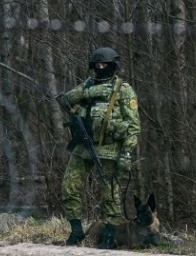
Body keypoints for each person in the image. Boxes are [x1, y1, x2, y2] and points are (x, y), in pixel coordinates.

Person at [58, 46, 141, 249]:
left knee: (110, 192)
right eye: (96, 64)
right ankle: (76, 231)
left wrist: (126, 153)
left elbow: (133, 126)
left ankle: (109, 234)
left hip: (110, 149)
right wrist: (90, 91)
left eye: (104, 64)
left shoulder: (123, 89)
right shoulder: (88, 85)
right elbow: (65, 99)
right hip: (83, 147)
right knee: (69, 187)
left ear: (112, 66)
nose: (100, 67)